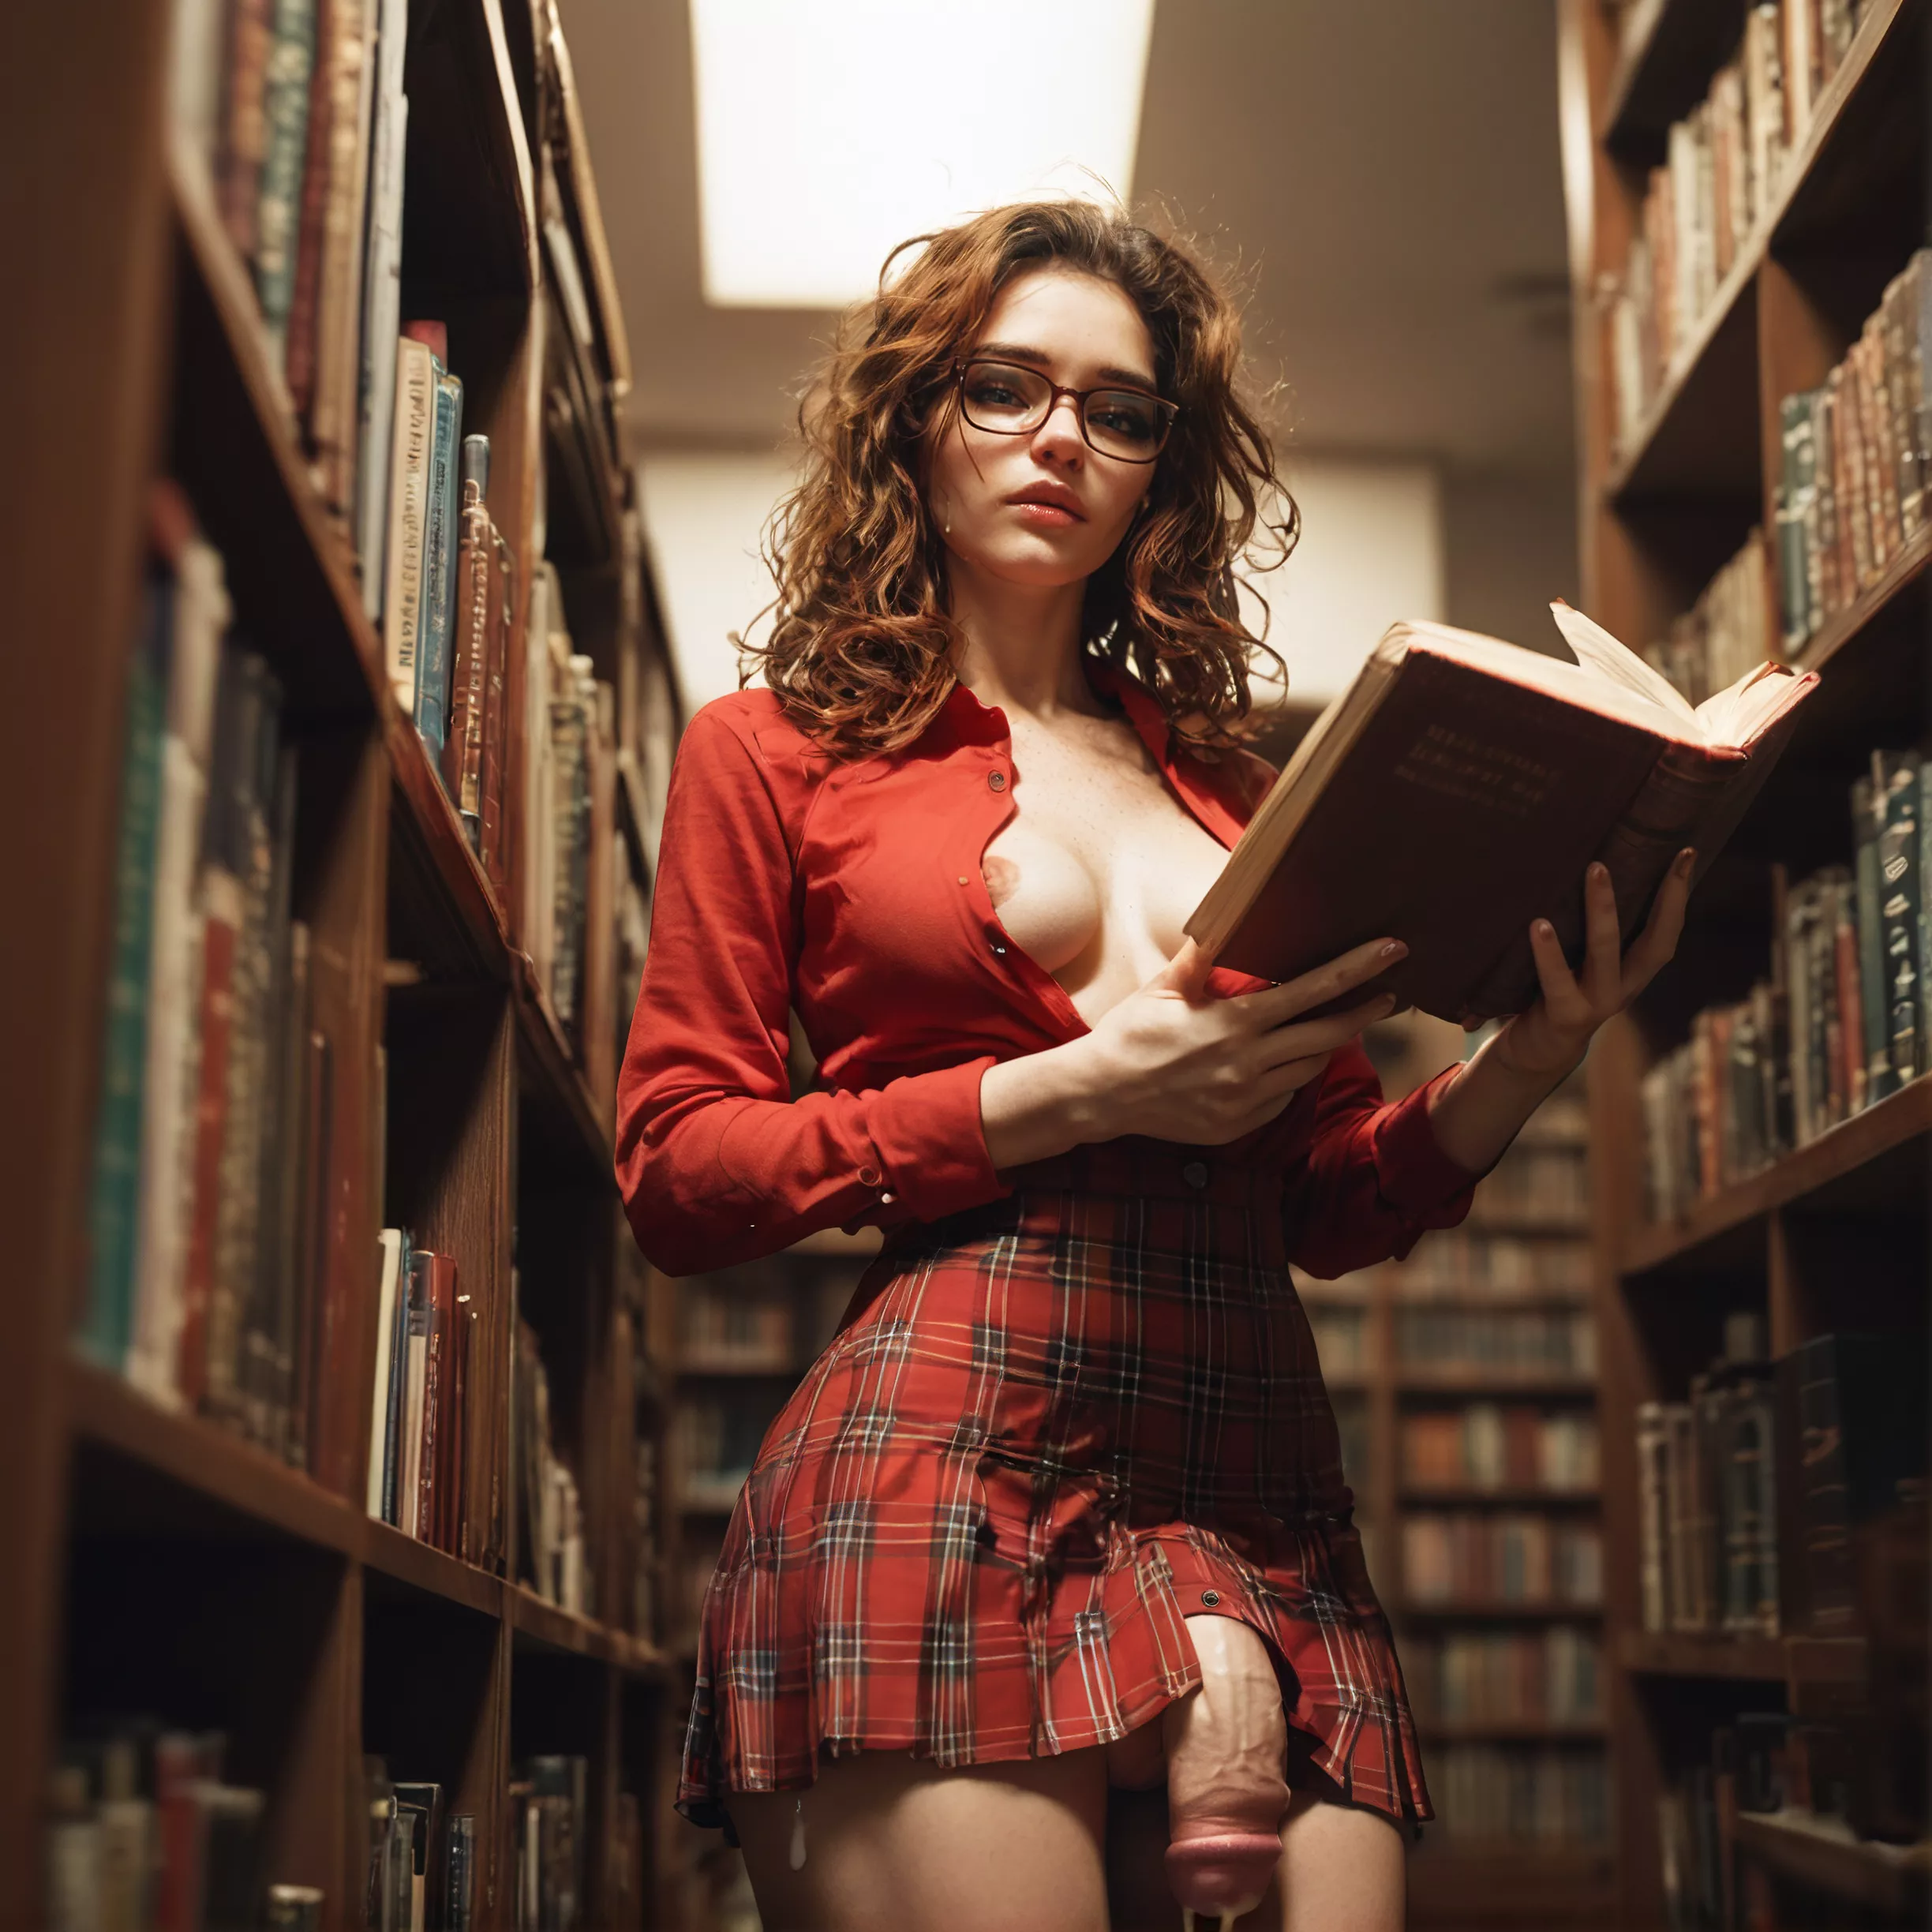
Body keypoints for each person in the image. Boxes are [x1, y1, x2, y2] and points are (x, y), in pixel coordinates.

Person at [615, 200, 1690, 1932]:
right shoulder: (773, 751)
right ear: (914, 422)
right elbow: (679, 1169)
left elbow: (1331, 1199)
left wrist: (1534, 1056)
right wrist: (1082, 1091)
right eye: (1005, 388)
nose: (1062, 439)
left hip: (1256, 1470)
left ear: (1159, 475)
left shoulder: (1243, 789)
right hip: (943, 1447)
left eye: (1118, 412)